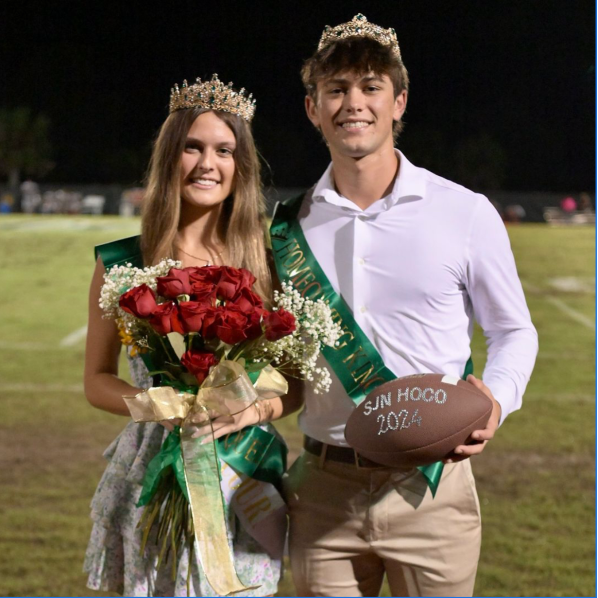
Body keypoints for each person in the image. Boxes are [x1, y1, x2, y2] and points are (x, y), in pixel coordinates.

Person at [272, 14, 538, 597]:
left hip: (432, 490)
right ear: (313, 108)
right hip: (322, 490)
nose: (353, 103)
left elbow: (514, 331)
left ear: (399, 102)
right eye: (335, 89)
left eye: (371, 87)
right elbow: (285, 365)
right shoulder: (284, 229)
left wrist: (496, 399)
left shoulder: (463, 212)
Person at [83, 74, 301, 597]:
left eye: (224, 150)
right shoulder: (123, 263)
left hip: (240, 472)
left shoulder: (267, 263)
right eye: (193, 147)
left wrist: (251, 410)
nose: (208, 164)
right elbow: (95, 380)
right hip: (151, 468)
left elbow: (293, 386)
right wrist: (159, 405)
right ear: (169, 157)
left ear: (240, 165)